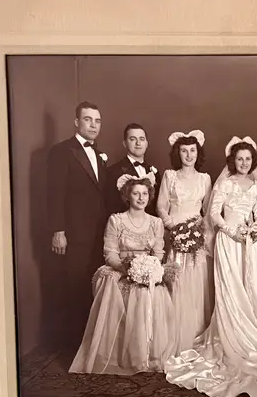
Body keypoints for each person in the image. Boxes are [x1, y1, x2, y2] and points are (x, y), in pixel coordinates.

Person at [165, 136, 257, 397]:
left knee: (248, 286)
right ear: (232, 162)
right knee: (229, 287)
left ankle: (251, 335)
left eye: (247, 159)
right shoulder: (225, 183)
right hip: (227, 240)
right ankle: (228, 334)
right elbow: (213, 213)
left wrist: (254, 230)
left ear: (252, 161)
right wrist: (231, 231)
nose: (243, 163)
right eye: (239, 159)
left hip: (248, 243)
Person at [69, 175, 177, 375]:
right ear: (128, 196)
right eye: (136, 193)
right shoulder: (116, 220)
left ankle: (149, 355)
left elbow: (159, 253)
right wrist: (126, 269)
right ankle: (124, 356)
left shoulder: (156, 223)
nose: (141, 198)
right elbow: (110, 253)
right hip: (122, 269)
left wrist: (151, 269)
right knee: (115, 285)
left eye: (144, 194)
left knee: (154, 290)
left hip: (146, 270)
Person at [47, 101, 109, 346]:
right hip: (73, 233)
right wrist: (57, 230)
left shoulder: (99, 153)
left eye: (97, 121)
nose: (93, 125)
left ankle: (92, 347)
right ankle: (74, 348)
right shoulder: (61, 151)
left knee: (94, 286)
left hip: (99, 234)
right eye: (88, 120)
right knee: (74, 288)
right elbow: (55, 193)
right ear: (76, 122)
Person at [155, 130, 215, 352]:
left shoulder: (205, 179)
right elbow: (161, 206)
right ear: (177, 153)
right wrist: (172, 226)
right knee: (176, 280)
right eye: (184, 151)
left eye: (192, 151)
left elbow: (208, 211)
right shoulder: (169, 176)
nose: (188, 155)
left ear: (198, 153)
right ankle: (174, 333)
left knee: (196, 282)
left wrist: (198, 232)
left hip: (197, 235)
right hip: (174, 233)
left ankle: (196, 334)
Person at [106, 123, 161, 216]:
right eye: (133, 139)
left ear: (147, 143)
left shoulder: (154, 172)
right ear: (125, 143)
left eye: (142, 139)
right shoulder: (113, 172)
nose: (138, 143)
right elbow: (110, 207)